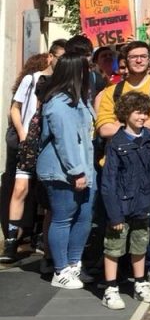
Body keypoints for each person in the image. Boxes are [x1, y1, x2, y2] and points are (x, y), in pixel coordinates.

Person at [95, 40, 150, 289]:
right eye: (133, 57)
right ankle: (116, 272)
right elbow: (104, 128)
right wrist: (138, 124)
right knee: (116, 220)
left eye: (143, 56)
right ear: (125, 62)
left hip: (149, 167)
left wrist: (124, 124)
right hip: (117, 167)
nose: (139, 60)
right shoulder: (112, 91)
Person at [100, 92, 150, 309]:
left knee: (140, 244)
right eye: (138, 112)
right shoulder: (116, 142)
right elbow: (108, 181)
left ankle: (140, 283)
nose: (142, 117)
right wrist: (114, 214)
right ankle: (111, 288)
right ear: (126, 113)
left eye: (145, 113)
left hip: (143, 202)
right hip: (121, 204)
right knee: (114, 247)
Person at [36, 53, 97, 289]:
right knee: (63, 217)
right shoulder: (59, 104)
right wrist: (77, 171)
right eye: (85, 69)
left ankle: (73, 264)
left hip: (84, 168)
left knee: (84, 216)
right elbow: (66, 141)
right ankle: (60, 269)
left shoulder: (80, 100)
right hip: (62, 172)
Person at [3, 44, 63, 261]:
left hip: (50, 142)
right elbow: (15, 108)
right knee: (20, 189)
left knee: (48, 196)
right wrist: (22, 133)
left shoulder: (63, 82)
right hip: (30, 140)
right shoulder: (31, 79)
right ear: (50, 57)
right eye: (59, 57)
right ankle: (11, 241)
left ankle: (47, 248)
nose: (62, 63)